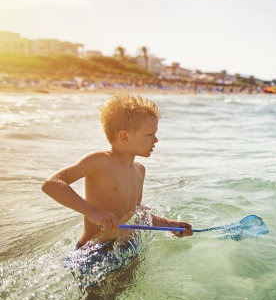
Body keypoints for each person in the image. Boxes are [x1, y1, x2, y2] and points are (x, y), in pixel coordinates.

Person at [42, 94, 192, 250]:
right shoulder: (99, 161)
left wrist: (171, 225)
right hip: (93, 250)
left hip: (125, 247)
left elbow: (136, 214)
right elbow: (51, 184)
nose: (156, 140)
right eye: (149, 135)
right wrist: (93, 212)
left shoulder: (140, 170)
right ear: (124, 136)